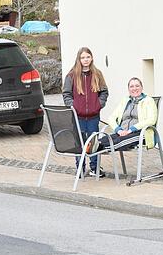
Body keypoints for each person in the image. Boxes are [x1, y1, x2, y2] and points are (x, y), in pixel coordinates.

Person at [62, 47, 109, 177]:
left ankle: (95, 167)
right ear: (79, 59)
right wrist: (73, 106)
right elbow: (66, 94)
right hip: (78, 117)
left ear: (91, 58)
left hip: (93, 116)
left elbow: (104, 91)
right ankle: (80, 169)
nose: (85, 60)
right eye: (83, 57)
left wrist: (99, 104)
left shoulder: (97, 74)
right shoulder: (72, 75)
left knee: (93, 142)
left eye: (88, 57)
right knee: (80, 142)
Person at [98, 77, 157, 151]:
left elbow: (151, 120)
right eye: (131, 86)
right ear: (128, 89)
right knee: (105, 139)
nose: (134, 88)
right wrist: (118, 130)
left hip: (141, 133)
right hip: (122, 132)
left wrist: (131, 130)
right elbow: (111, 117)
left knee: (120, 141)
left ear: (142, 88)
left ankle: (97, 148)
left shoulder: (149, 101)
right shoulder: (125, 100)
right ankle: (94, 145)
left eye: (137, 86)